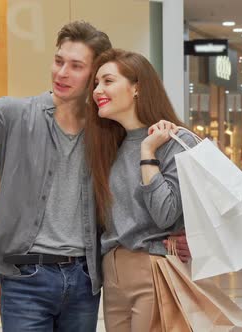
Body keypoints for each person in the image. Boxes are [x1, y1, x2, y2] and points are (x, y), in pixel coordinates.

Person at [0, 21, 189, 331]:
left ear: (94, 77)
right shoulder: (15, 115)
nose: (62, 73)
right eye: (59, 61)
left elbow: (134, 197)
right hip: (25, 279)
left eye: (76, 66)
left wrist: (176, 235)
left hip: (84, 281)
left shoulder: (108, 131)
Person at [84, 48, 198, 332]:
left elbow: (166, 215)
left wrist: (148, 152)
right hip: (112, 275)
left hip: (154, 268)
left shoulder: (175, 141)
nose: (98, 90)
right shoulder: (111, 146)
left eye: (108, 81)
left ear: (137, 87)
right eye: (96, 83)